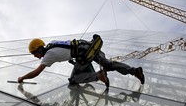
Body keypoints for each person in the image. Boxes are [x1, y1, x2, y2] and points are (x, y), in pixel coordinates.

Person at [17, 36, 145, 87]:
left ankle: (99, 75)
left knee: (74, 80)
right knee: (108, 64)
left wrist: (22, 78)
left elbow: (36, 73)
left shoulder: (48, 54)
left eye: (34, 53)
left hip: (83, 55)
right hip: (90, 46)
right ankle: (135, 71)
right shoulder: (52, 44)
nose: (35, 56)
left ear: (39, 49)